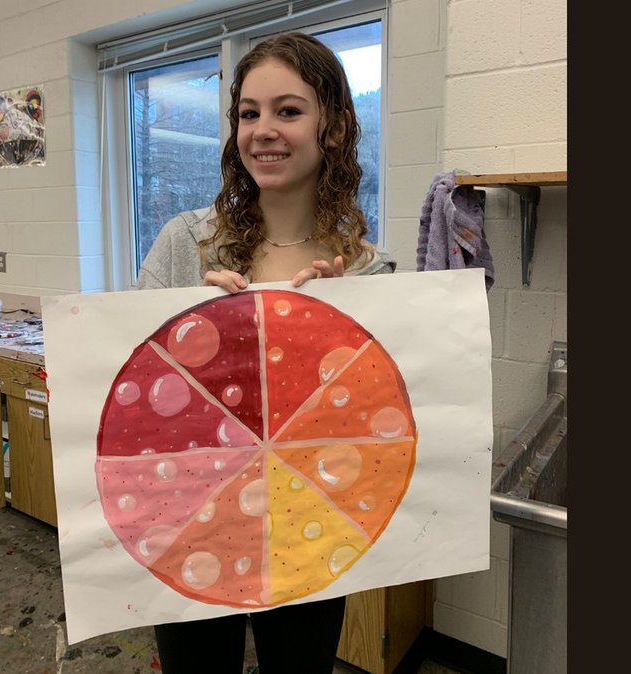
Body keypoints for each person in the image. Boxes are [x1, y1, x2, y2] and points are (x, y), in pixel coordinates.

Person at [134, 32, 396, 674]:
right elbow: (132, 391)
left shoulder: (369, 272)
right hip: (195, 514)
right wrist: (183, 327)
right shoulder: (185, 244)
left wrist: (343, 331)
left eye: (288, 110)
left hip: (308, 519)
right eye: (249, 113)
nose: (263, 130)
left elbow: (373, 432)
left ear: (332, 125)